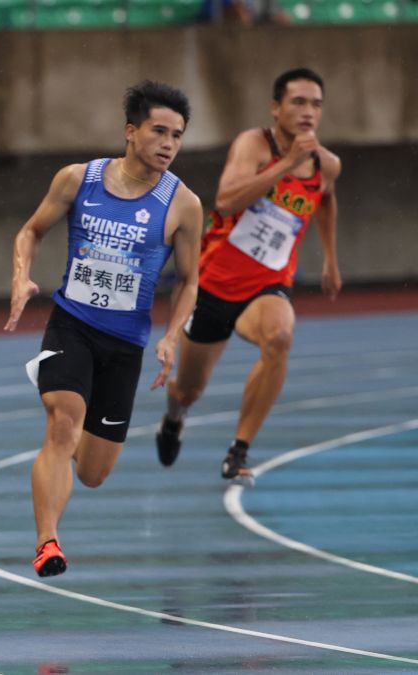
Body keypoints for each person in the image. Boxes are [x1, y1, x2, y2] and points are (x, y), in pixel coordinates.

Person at [3, 81, 202, 577]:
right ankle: (47, 542)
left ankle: (63, 473)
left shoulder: (184, 205)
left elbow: (190, 279)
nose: (168, 144)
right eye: (159, 131)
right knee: (62, 427)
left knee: (92, 472)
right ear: (131, 131)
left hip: (126, 345)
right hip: (71, 326)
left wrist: (172, 337)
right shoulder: (78, 180)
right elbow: (31, 230)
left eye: (177, 135)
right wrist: (21, 276)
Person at [155, 68, 340, 485]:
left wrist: (329, 258)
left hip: (267, 285)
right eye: (298, 102)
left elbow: (326, 201)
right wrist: (287, 164)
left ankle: (238, 451)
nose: (308, 112)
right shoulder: (254, 145)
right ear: (276, 108)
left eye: (316, 104)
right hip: (212, 284)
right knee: (188, 389)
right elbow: (224, 200)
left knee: (280, 336)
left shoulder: (326, 164)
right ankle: (173, 419)